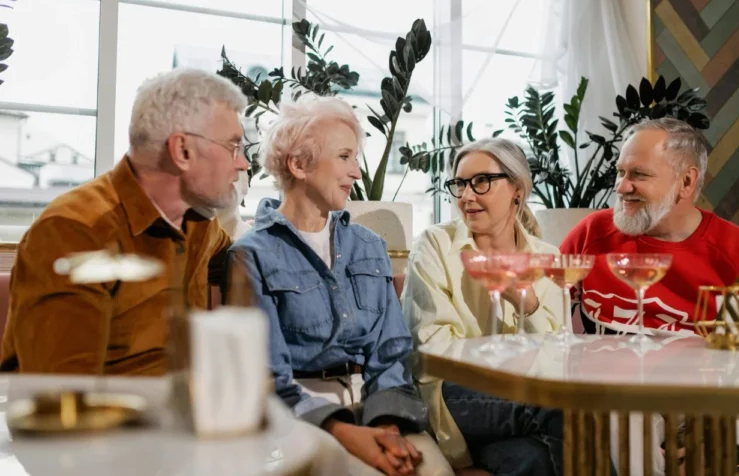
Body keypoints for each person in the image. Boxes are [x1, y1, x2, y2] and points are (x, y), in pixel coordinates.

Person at [227, 94, 452, 476]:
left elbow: (391, 351)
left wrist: (386, 425)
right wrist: (345, 432)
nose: (358, 173)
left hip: (380, 407)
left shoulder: (369, 246)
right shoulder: (252, 255)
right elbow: (269, 377)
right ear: (299, 164)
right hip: (303, 418)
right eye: (345, 157)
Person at [0, 68, 248, 375]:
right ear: (182, 150)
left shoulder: (199, 223)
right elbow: (65, 397)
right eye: (233, 146)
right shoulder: (73, 232)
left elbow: (245, 260)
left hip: (182, 410)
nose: (243, 163)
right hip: (112, 419)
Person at [560, 117, 739, 469]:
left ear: (686, 182)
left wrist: (729, 440)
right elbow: (547, 323)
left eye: (638, 175)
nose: (622, 187)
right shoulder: (590, 235)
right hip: (614, 398)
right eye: (620, 172)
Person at [400, 138, 565, 476]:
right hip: (451, 396)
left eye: (481, 182)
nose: (466, 196)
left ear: (517, 189)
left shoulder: (547, 258)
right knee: (568, 410)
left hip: (521, 400)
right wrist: (514, 357)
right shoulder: (436, 244)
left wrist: (526, 301)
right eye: (459, 184)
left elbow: (558, 355)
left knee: (529, 459)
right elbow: (432, 349)